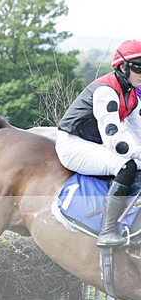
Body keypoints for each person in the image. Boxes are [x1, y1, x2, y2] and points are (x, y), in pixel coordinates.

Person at [57, 39, 141, 247]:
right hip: (73, 145)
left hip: (93, 142)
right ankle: (108, 231)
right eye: (140, 68)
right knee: (126, 165)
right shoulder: (106, 92)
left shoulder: (131, 94)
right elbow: (115, 140)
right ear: (123, 67)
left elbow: (137, 130)